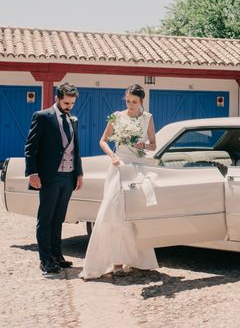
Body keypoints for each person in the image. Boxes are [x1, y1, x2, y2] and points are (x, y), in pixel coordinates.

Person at [80, 84, 159, 279]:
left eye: (134, 101)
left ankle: (138, 258)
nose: (130, 105)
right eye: (128, 101)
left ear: (141, 101)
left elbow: (154, 144)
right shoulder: (116, 116)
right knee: (114, 213)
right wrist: (112, 156)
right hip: (119, 167)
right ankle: (116, 262)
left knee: (136, 213)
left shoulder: (147, 118)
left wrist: (144, 145)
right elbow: (103, 140)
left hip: (138, 168)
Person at [25, 83, 84, 275]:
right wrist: (33, 173)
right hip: (50, 176)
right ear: (57, 98)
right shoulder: (42, 117)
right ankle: (45, 260)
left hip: (68, 176)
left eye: (72, 103)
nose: (69, 106)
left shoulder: (72, 120)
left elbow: (76, 149)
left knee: (59, 218)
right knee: (46, 218)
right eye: (66, 102)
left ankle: (57, 255)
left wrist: (79, 173)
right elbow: (31, 147)